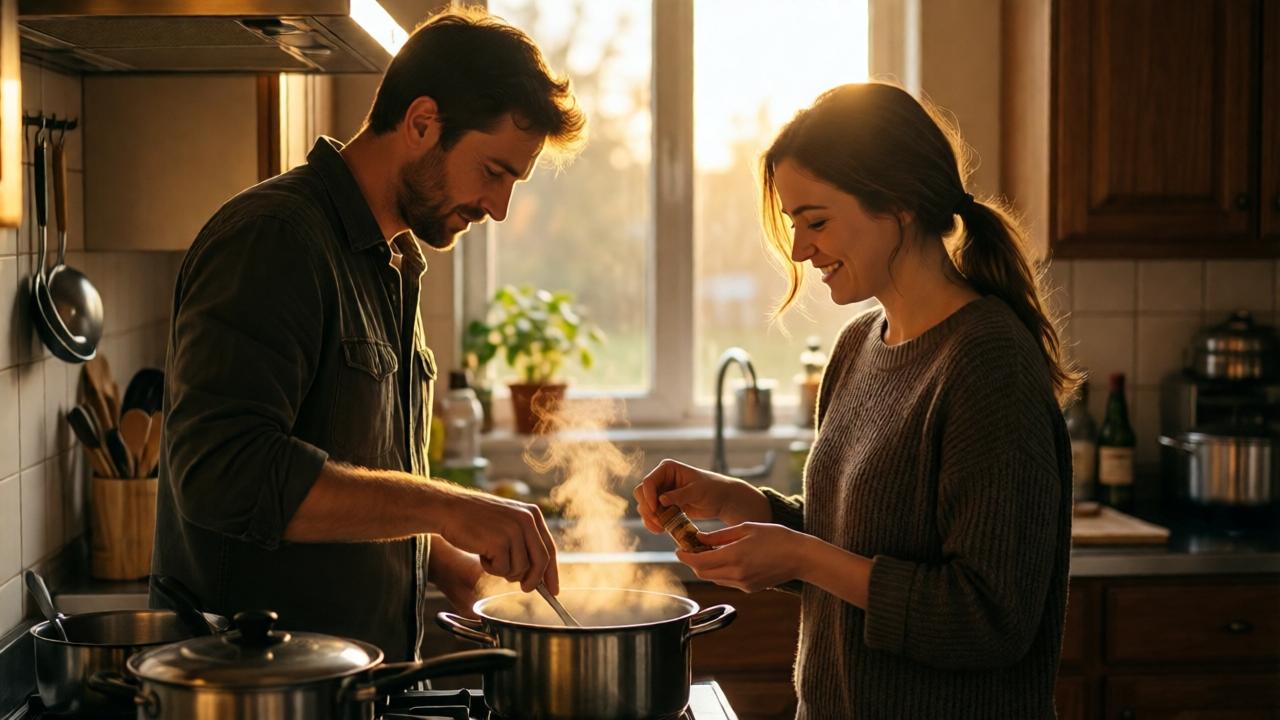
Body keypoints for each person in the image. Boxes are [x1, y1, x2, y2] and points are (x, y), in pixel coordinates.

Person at [153, 7, 585, 661]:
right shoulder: (276, 240)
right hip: (259, 693)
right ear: (421, 123)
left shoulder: (391, 260)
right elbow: (225, 474)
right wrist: (449, 508)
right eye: (494, 173)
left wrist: (449, 565)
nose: (498, 208)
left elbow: (354, 480)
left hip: (352, 688)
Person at [636, 83, 1076, 718]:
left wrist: (801, 555)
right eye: (795, 224)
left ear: (896, 205)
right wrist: (744, 502)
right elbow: (858, 546)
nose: (799, 249)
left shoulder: (989, 363)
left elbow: (989, 620)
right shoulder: (857, 347)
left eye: (816, 220)